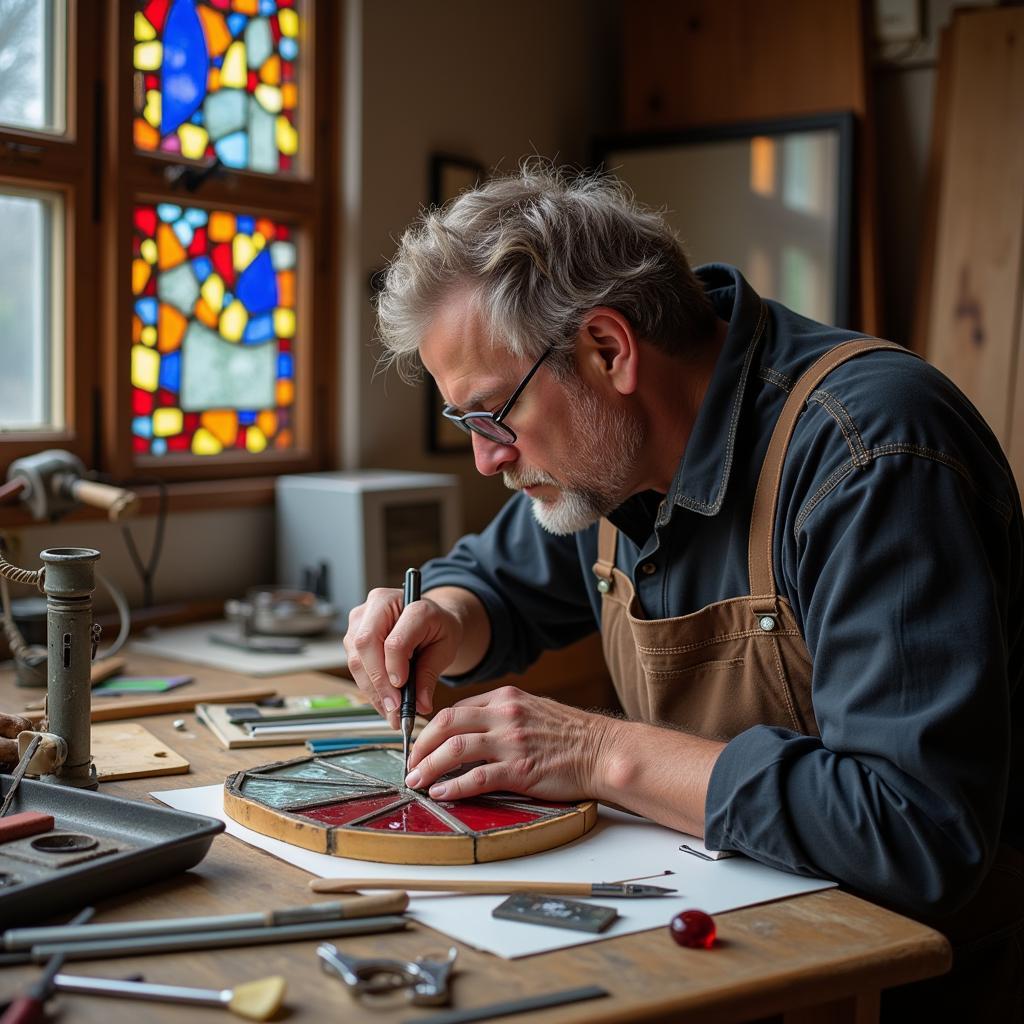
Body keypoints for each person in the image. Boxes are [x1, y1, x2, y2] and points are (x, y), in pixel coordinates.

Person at [344, 165, 1022, 1016]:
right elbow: (492, 581)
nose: (487, 458)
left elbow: (914, 832)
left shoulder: (869, 454)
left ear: (608, 349)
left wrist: (596, 753)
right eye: (466, 426)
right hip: (724, 952)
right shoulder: (605, 456)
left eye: (493, 415)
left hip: (904, 984)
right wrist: (439, 612)